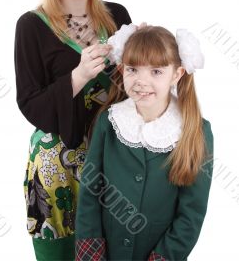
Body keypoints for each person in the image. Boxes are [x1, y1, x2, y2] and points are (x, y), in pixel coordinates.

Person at [14, 0, 132, 261]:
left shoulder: (116, 16)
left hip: (114, 156)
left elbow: (135, 90)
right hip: (57, 166)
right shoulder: (32, 26)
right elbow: (30, 103)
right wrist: (77, 76)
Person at [75, 24, 214, 261]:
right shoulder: (109, 121)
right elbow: (90, 191)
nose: (141, 81)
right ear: (121, 70)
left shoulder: (195, 130)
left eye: (156, 72)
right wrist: (92, 253)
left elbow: (191, 215)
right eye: (133, 69)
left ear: (177, 74)